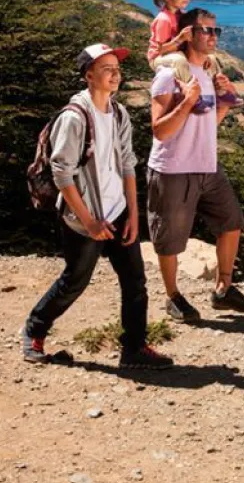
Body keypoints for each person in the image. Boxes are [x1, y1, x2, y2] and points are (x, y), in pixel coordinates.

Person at [21, 43, 173, 370]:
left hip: (117, 212)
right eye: (107, 69)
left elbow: (129, 165)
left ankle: (134, 348)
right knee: (74, 281)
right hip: (82, 218)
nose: (116, 74)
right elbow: (62, 173)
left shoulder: (118, 114)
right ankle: (34, 330)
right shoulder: (75, 118)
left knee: (135, 281)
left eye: (117, 68)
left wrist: (133, 214)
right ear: (88, 75)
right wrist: (89, 221)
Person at [147, 7, 244, 322]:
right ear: (187, 34)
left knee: (232, 222)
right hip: (173, 168)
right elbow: (160, 130)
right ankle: (172, 296)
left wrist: (224, 101)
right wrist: (186, 100)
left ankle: (223, 289)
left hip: (207, 165)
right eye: (206, 30)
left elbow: (208, 123)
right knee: (170, 238)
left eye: (215, 30)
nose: (213, 36)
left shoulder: (207, 74)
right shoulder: (170, 74)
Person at [148, 0, 236, 104]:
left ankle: (221, 90)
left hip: (175, 53)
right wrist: (180, 39)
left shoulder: (180, 15)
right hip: (158, 58)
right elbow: (160, 50)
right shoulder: (163, 20)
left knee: (211, 58)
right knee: (180, 61)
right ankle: (193, 95)